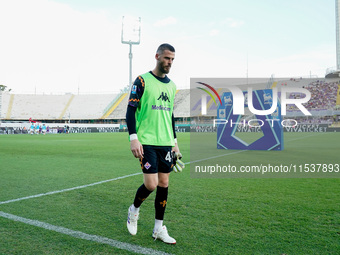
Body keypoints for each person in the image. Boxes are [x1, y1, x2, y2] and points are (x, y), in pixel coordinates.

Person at [125, 43, 181, 244]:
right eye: (167, 58)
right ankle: (134, 209)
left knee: (164, 183)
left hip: (166, 142)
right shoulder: (142, 80)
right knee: (151, 184)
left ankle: (158, 228)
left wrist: (174, 143)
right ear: (157, 56)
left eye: (172, 59)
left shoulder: (173, 85)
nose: (170, 62)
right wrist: (133, 138)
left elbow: (170, 115)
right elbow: (130, 110)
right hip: (146, 141)